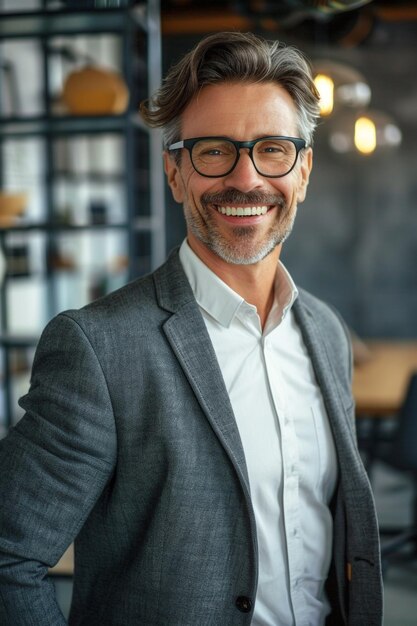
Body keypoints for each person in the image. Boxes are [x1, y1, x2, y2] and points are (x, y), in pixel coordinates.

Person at [0, 31, 382, 626]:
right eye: (213, 151)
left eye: (273, 150)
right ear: (175, 173)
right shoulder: (99, 348)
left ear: (302, 171)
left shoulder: (324, 331)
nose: (247, 179)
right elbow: (8, 556)